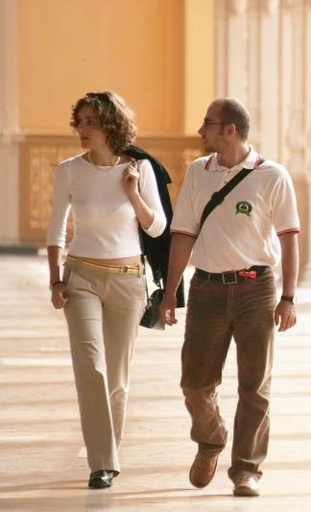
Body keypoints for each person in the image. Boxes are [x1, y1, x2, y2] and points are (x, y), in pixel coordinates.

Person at [158, 97, 299, 498]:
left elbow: (289, 241)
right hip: (206, 290)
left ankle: (247, 469)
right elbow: (183, 232)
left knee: (255, 386)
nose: (201, 131)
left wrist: (288, 297)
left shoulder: (273, 176)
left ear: (230, 130)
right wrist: (170, 292)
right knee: (195, 384)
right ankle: (210, 439)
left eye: (208, 123)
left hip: (257, 290)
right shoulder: (198, 173)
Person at [46, 91, 167, 489]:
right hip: (80, 278)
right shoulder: (68, 171)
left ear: (111, 126)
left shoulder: (139, 169)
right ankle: (102, 461)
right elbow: (56, 229)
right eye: (79, 121)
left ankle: (107, 455)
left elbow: (156, 227)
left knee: (117, 377)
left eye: (90, 122)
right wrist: (55, 279)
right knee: (91, 367)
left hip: (129, 281)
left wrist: (132, 191)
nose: (82, 129)